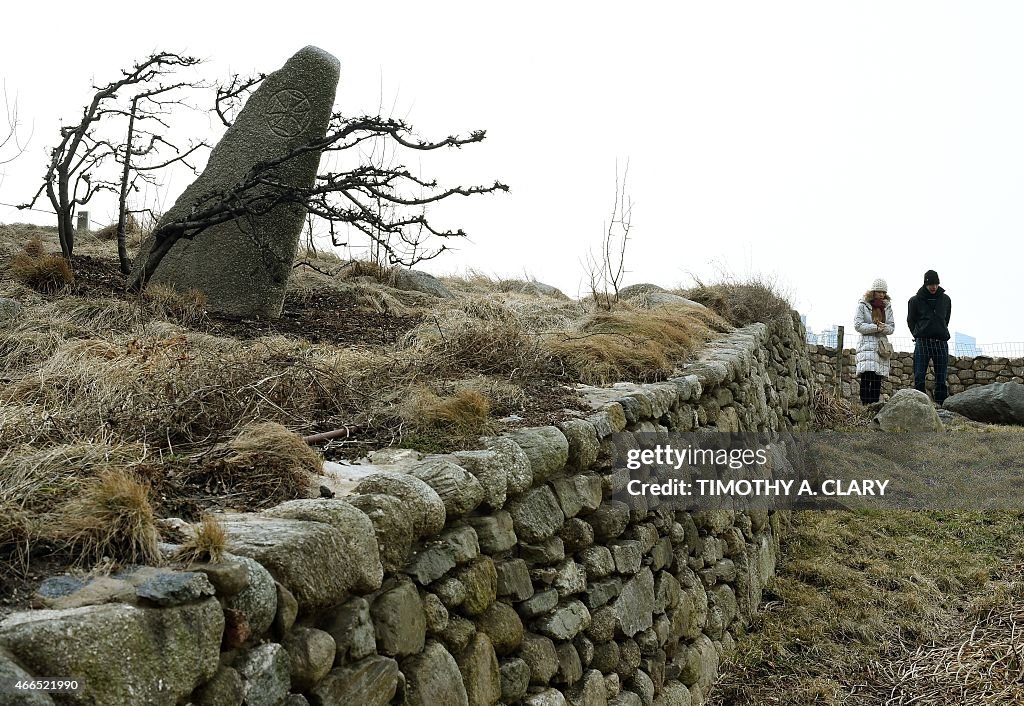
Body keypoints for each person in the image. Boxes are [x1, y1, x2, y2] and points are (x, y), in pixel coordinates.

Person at [907, 269, 952, 404]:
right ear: (925, 284)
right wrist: (918, 333)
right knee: (919, 376)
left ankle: (941, 405)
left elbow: (946, 319)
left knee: (941, 377)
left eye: (936, 284)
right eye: (931, 284)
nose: (934, 287)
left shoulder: (946, 299)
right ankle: (920, 405)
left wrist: (940, 330)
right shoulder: (914, 300)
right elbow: (910, 320)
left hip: (941, 342)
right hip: (923, 342)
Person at [854, 278, 895, 404]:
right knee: (866, 377)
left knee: (877, 379)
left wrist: (883, 327)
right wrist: (875, 327)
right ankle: (865, 406)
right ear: (873, 292)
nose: (881, 295)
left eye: (883, 292)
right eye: (879, 292)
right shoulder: (862, 305)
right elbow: (858, 325)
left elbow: (891, 327)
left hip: (880, 347)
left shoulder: (887, 307)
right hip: (866, 345)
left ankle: (874, 407)